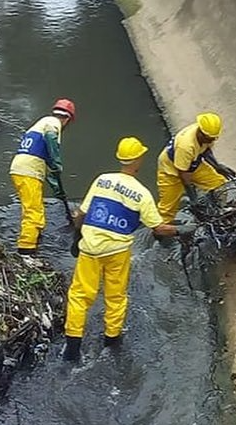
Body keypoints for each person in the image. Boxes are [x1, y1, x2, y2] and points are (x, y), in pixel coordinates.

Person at [63, 137, 177, 361]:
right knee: (116, 296)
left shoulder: (102, 180)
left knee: (79, 296)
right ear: (139, 160)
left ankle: (72, 347)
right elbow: (159, 228)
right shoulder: (142, 193)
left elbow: (81, 214)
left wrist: (77, 238)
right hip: (116, 250)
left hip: (91, 248)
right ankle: (112, 339)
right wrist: (182, 231)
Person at [9, 99, 75, 255]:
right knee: (34, 212)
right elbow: (51, 138)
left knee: (32, 209)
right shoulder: (53, 123)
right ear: (67, 119)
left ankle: (34, 240)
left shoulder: (41, 123)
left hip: (22, 169)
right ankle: (26, 250)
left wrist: (58, 191)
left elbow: (50, 173)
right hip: (28, 171)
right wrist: (56, 161)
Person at [156, 112, 235, 222]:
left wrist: (217, 166)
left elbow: (206, 150)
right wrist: (193, 196)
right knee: (167, 210)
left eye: (214, 138)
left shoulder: (208, 136)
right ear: (201, 133)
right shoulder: (186, 146)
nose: (212, 140)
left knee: (218, 184)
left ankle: (219, 213)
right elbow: (183, 173)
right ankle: (161, 233)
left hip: (192, 163)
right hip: (170, 171)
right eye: (209, 138)